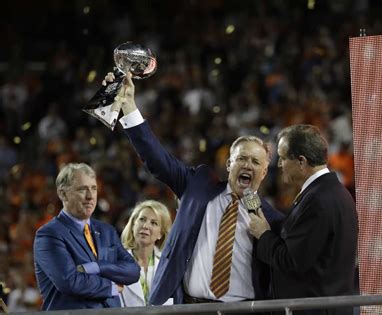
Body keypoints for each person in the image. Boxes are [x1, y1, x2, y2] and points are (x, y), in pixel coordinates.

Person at [104, 72, 283, 305]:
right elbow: (157, 159)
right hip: (189, 307)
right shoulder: (198, 185)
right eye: (242, 159)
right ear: (229, 164)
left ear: (264, 173)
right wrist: (128, 107)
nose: (248, 165)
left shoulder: (272, 221)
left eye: (256, 162)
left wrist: (267, 235)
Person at [249, 124, 358, 315]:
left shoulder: (317, 200)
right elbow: (303, 241)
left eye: (283, 158)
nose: (279, 164)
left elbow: (292, 262)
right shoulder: (332, 192)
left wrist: (263, 234)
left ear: (301, 161)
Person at [33, 163, 140, 310]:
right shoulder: (49, 234)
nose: (90, 196)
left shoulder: (107, 230)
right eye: (82, 189)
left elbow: (133, 271)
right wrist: (112, 287)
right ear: (63, 193)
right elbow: (71, 282)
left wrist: (97, 267)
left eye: (94, 189)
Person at [120, 200, 173, 306]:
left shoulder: (169, 267)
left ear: (160, 234)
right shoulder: (116, 263)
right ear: (133, 225)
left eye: (154, 223)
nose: (145, 226)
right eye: (142, 219)